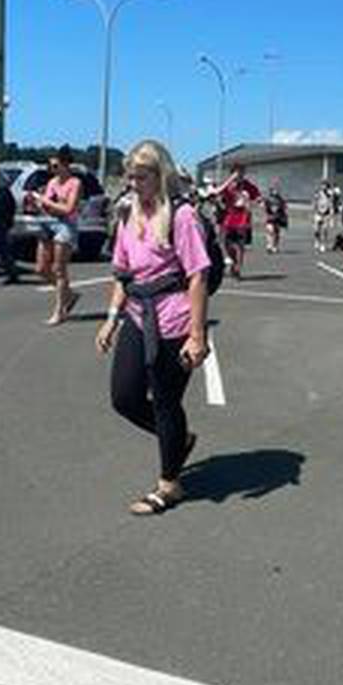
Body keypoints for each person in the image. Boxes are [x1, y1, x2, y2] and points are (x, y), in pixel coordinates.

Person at [98, 140, 210, 516]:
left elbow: (197, 275)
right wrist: (111, 319)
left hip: (174, 321)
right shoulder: (129, 213)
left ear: (159, 176)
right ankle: (179, 441)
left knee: (165, 402)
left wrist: (198, 335)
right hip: (136, 315)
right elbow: (122, 273)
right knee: (124, 397)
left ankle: (170, 484)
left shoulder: (182, 217)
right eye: (129, 177)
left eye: (141, 177)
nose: (133, 184)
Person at [29, 146, 81, 324]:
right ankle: (70, 295)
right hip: (48, 222)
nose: (53, 170)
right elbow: (48, 205)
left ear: (66, 165)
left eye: (56, 166)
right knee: (41, 269)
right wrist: (37, 202)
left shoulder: (75, 183)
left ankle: (60, 311)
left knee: (59, 270)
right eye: (51, 167)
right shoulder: (52, 183)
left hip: (65, 225)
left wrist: (45, 201)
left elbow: (69, 209)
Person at [217, 163, 261, 280]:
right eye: (237, 172)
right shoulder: (228, 185)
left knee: (240, 245)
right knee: (226, 243)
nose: (240, 174)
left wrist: (252, 203)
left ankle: (238, 269)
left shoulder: (248, 186)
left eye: (242, 172)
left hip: (243, 218)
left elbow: (258, 197)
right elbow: (218, 192)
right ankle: (232, 259)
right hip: (229, 217)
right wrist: (230, 180)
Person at [311, 180, 336, 255]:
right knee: (316, 230)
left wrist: (332, 215)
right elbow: (314, 202)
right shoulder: (318, 193)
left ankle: (323, 244)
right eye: (322, 185)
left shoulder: (330, 194)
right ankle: (317, 241)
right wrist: (314, 210)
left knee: (325, 229)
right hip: (318, 213)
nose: (323, 187)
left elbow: (331, 204)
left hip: (326, 214)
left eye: (325, 185)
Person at [263, 182, 288, 254]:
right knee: (270, 231)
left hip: (278, 218)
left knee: (276, 232)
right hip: (270, 218)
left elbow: (284, 209)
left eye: (276, 190)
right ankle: (269, 245)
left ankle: (275, 246)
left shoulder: (281, 200)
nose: (275, 191)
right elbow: (265, 208)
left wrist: (285, 219)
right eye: (274, 190)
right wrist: (267, 214)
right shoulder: (268, 199)